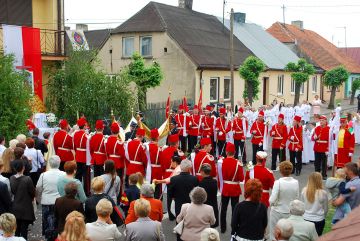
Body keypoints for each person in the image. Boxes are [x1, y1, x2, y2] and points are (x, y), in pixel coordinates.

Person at [36, 155, 65, 241]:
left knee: (47, 222)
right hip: (59, 201)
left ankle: (49, 237)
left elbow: (38, 188)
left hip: (47, 201)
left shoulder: (43, 175)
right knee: (59, 222)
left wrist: (39, 199)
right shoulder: (63, 174)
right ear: (59, 163)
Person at [269, 161, 299, 241]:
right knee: (287, 235)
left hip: (277, 212)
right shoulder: (296, 182)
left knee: (274, 235)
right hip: (289, 212)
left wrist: (273, 204)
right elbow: (297, 197)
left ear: (281, 171)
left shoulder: (278, 182)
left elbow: (272, 199)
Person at [217, 142, 244, 233]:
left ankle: (223, 228)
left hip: (225, 188)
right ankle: (234, 229)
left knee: (223, 209)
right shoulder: (238, 164)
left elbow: (219, 176)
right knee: (235, 210)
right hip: (235, 188)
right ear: (235, 152)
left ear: (226, 151)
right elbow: (241, 178)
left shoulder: (222, 162)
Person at [9, 159, 35, 240]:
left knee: (16, 230)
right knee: (24, 231)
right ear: (23, 168)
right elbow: (32, 192)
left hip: (15, 206)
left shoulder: (11, 178)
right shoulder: (27, 179)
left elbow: (12, 191)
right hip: (26, 207)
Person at [144, 129, 163, 199]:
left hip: (147, 170)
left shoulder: (146, 146)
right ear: (157, 137)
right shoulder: (159, 149)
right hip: (157, 171)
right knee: (157, 190)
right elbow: (162, 161)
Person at [199, 164, 219, 228]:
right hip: (213, 205)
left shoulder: (201, 183)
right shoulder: (214, 181)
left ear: (203, 172)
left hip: (204, 206)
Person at [312, 115, 330, 179]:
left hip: (324, 148)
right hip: (317, 148)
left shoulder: (328, 129)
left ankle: (324, 175)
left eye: (322, 120)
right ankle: (317, 174)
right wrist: (314, 138)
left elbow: (330, 140)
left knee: (324, 163)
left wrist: (328, 149)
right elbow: (312, 138)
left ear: (326, 121)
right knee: (316, 162)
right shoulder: (317, 128)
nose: (321, 122)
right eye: (320, 120)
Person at [73, 117, 89, 184]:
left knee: (78, 173)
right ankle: (86, 191)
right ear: (84, 126)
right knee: (85, 175)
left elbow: (74, 146)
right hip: (84, 156)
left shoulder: (75, 134)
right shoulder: (85, 135)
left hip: (78, 155)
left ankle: (77, 188)